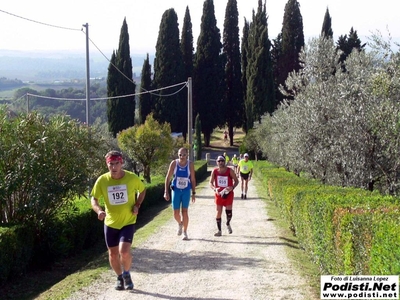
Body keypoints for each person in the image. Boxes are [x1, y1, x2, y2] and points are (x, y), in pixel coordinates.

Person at [90, 150, 146, 291]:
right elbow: (94, 198)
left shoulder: (131, 178)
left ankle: (127, 274)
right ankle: (120, 277)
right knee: (113, 254)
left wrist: (137, 205)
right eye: (111, 164)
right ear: (107, 164)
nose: (113, 167)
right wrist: (99, 210)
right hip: (110, 223)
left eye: (116, 163)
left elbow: (143, 190)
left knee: (124, 252)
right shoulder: (102, 180)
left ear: (121, 163)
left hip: (128, 221)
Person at [164, 147, 196, 240]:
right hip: (176, 190)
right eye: (180, 155)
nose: (182, 156)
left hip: (186, 190)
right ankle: (180, 223)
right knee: (175, 213)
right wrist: (166, 191)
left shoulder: (190, 164)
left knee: (185, 212)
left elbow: (193, 179)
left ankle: (185, 232)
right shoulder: (174, 163)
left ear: (187, 155)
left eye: (184, 155)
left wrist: (193, 193)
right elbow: (168, 177)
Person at [209, 155, 239, 236]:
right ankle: (219, 231)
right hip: (219, 194)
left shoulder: (230, 171)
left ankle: (228, 223)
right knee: (219, 212)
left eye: (222, 161)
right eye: (219, 161)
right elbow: (210, 183)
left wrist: (232, 187)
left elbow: (236, 181)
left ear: (224, 161)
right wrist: (215, 189)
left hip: (228, 194)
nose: (220, 162)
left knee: (229, 213)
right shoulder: (214, 171)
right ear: (217, 162)